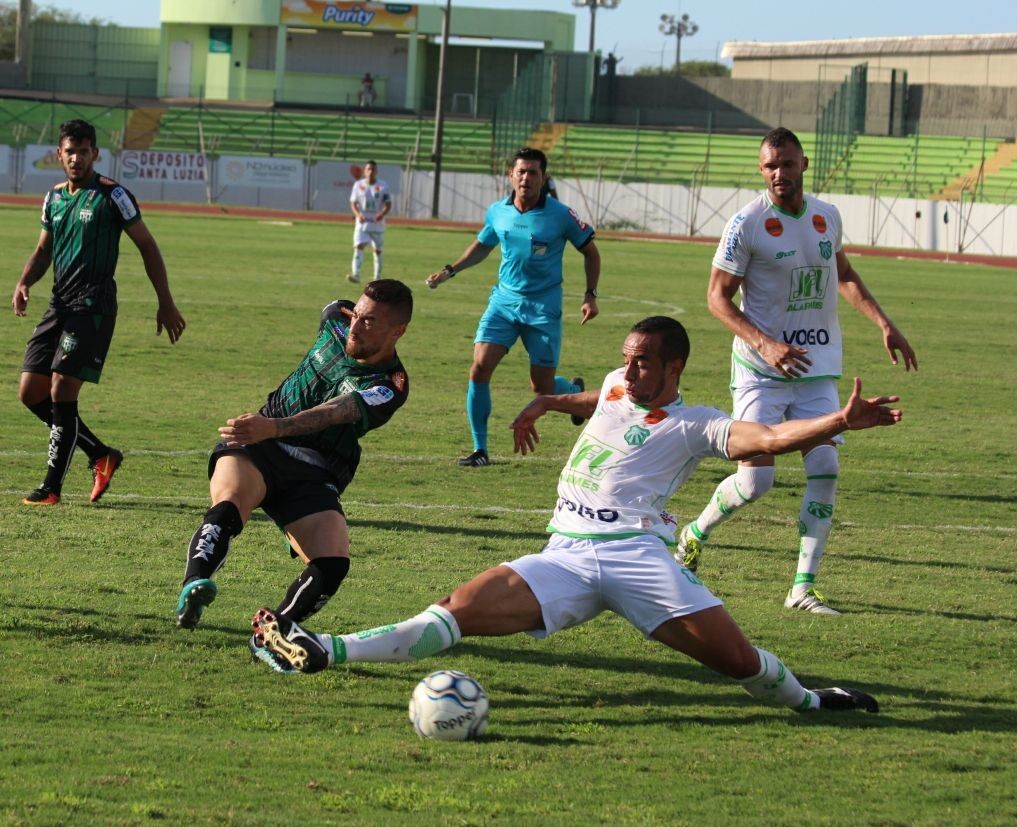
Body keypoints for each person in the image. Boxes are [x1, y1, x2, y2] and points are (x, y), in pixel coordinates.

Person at [252, 316, 902, 718]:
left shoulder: (695, 422)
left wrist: (836, 422)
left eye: (643, 358)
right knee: (454, 608)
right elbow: (597, 395)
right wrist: (546, 400)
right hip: (564, 555)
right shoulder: (620, 385)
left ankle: (811, 701)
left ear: (674, 366)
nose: (629, 366)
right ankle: (322, 648)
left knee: (737, 662)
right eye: (626, 355)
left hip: (639, 559)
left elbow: (764, 441)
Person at [675, 127, 918, 615]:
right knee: (755, 483)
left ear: (804, 164)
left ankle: (801, 588)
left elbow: (843, 275)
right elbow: (716, 297)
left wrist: (884, 323)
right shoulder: (746, 223)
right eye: (770, 166)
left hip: (816, 370)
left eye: (786, 163)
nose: (779, 173)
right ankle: (694, 534)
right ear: (761, 171)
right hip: (760, 371)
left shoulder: (827, 217)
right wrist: (766, 345)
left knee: (826, 466)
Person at [176, 280, 412, 671]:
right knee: (230, 504)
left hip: (313, 469)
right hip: (259, 446)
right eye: (357, 316)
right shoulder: (337, 318)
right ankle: (194, 584)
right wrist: (269, 429)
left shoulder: (389, 386)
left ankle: (274, 632)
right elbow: (336, 312)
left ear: (397, 331)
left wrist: (277, 427)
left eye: (370, 323)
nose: (356, 327)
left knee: (333, 561)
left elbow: (336, 411)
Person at [11, 118, 186, 506]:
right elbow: (43, 251)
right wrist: (24, 282)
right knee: (30, 392)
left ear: (95, 153)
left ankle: (51, 487)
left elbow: (148, 246)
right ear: (60, 154)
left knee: (60, 389)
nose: (76, 158)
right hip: (59, 303)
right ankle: (100, 454)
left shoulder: (113, 195)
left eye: (83, 151)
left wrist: (165, 301)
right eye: (69, 151)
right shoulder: (54, 198)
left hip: (93, 307)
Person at [425, 147, 601, 467]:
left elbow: (592, 253)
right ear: (511, 175)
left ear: (543, 178)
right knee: (479, 368)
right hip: (503, 303)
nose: (526, 178)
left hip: (543, 309)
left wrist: (590, 295)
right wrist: (450, 270)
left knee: (542, 388)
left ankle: (573, 391)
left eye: (533, 172)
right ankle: (480, 450)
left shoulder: (561, 215)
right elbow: (483, 245)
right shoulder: (497, 211)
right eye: (521, 171)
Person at [348, 160, 392, 285]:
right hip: (362, 224)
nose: (371, 171)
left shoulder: (383, 186)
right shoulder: (358, 185)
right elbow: (353, 203)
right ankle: (356, 274)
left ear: (376, 171)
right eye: (368, 169)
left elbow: (388, 204)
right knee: (358, 246)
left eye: (373, 169)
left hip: (377, 225)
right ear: (364, 171)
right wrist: (358, 214)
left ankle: (377, 277)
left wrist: (382, 214)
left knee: (377, 251)